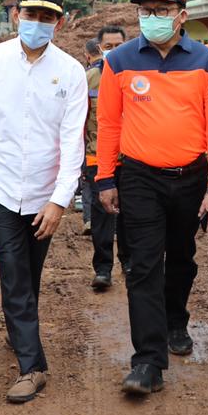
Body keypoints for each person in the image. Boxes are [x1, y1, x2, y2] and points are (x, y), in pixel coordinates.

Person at [0, 0, 87, 404]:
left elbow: (72, 143)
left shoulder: (69, 72)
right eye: (30, 14)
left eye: (47, 16)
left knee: (30, 271)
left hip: (43, 192)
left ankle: (19, 326)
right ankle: (34, 367)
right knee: (13, 271)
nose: (36, 22)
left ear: (59, 22)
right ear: (16, 15)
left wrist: (59, 201)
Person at [96, 0, 208, 396]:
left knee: (183, 258)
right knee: (143, 266)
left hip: (190, 178)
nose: (153, 17)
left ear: (182, 15)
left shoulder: (207, 62)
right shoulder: (118, 61)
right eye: (146, 10)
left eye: (162, 10)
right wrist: (105, 177)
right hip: (139, 179)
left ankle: (176, 319)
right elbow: (108, 124)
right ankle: (148, 362)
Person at [84, 25, 128, 289]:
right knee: (102, 215)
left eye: (119, 45)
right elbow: (80, 119)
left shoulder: (137, 75)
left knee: (130, 215)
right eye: (109, 46)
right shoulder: (88, 79)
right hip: (96, 157)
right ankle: (103, 269)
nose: (114, 50)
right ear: (100, 48)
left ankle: (130, 262)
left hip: (133, 158)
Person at [79, 38, 102, 235]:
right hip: (120, 149)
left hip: (91, 145)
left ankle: (89, 219)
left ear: (87, 56)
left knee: (88, 183)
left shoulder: (85, 77)